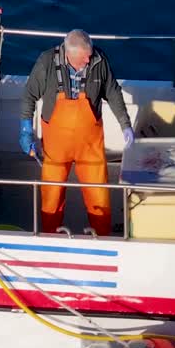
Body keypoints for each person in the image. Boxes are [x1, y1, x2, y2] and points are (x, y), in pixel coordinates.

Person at [19, 29, 134, 236]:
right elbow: (29, 96)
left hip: (89, 145)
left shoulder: (99, 61)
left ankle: (102, 237)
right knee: (51, 198)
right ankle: (50, 237)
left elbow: (113, 93)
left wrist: (125, 124)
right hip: (56, 146)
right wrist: (26, 129)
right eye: (84, 57)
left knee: (99, 196)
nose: (89, 59)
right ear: (69, 55)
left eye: (90, 55)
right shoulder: (46, 62)